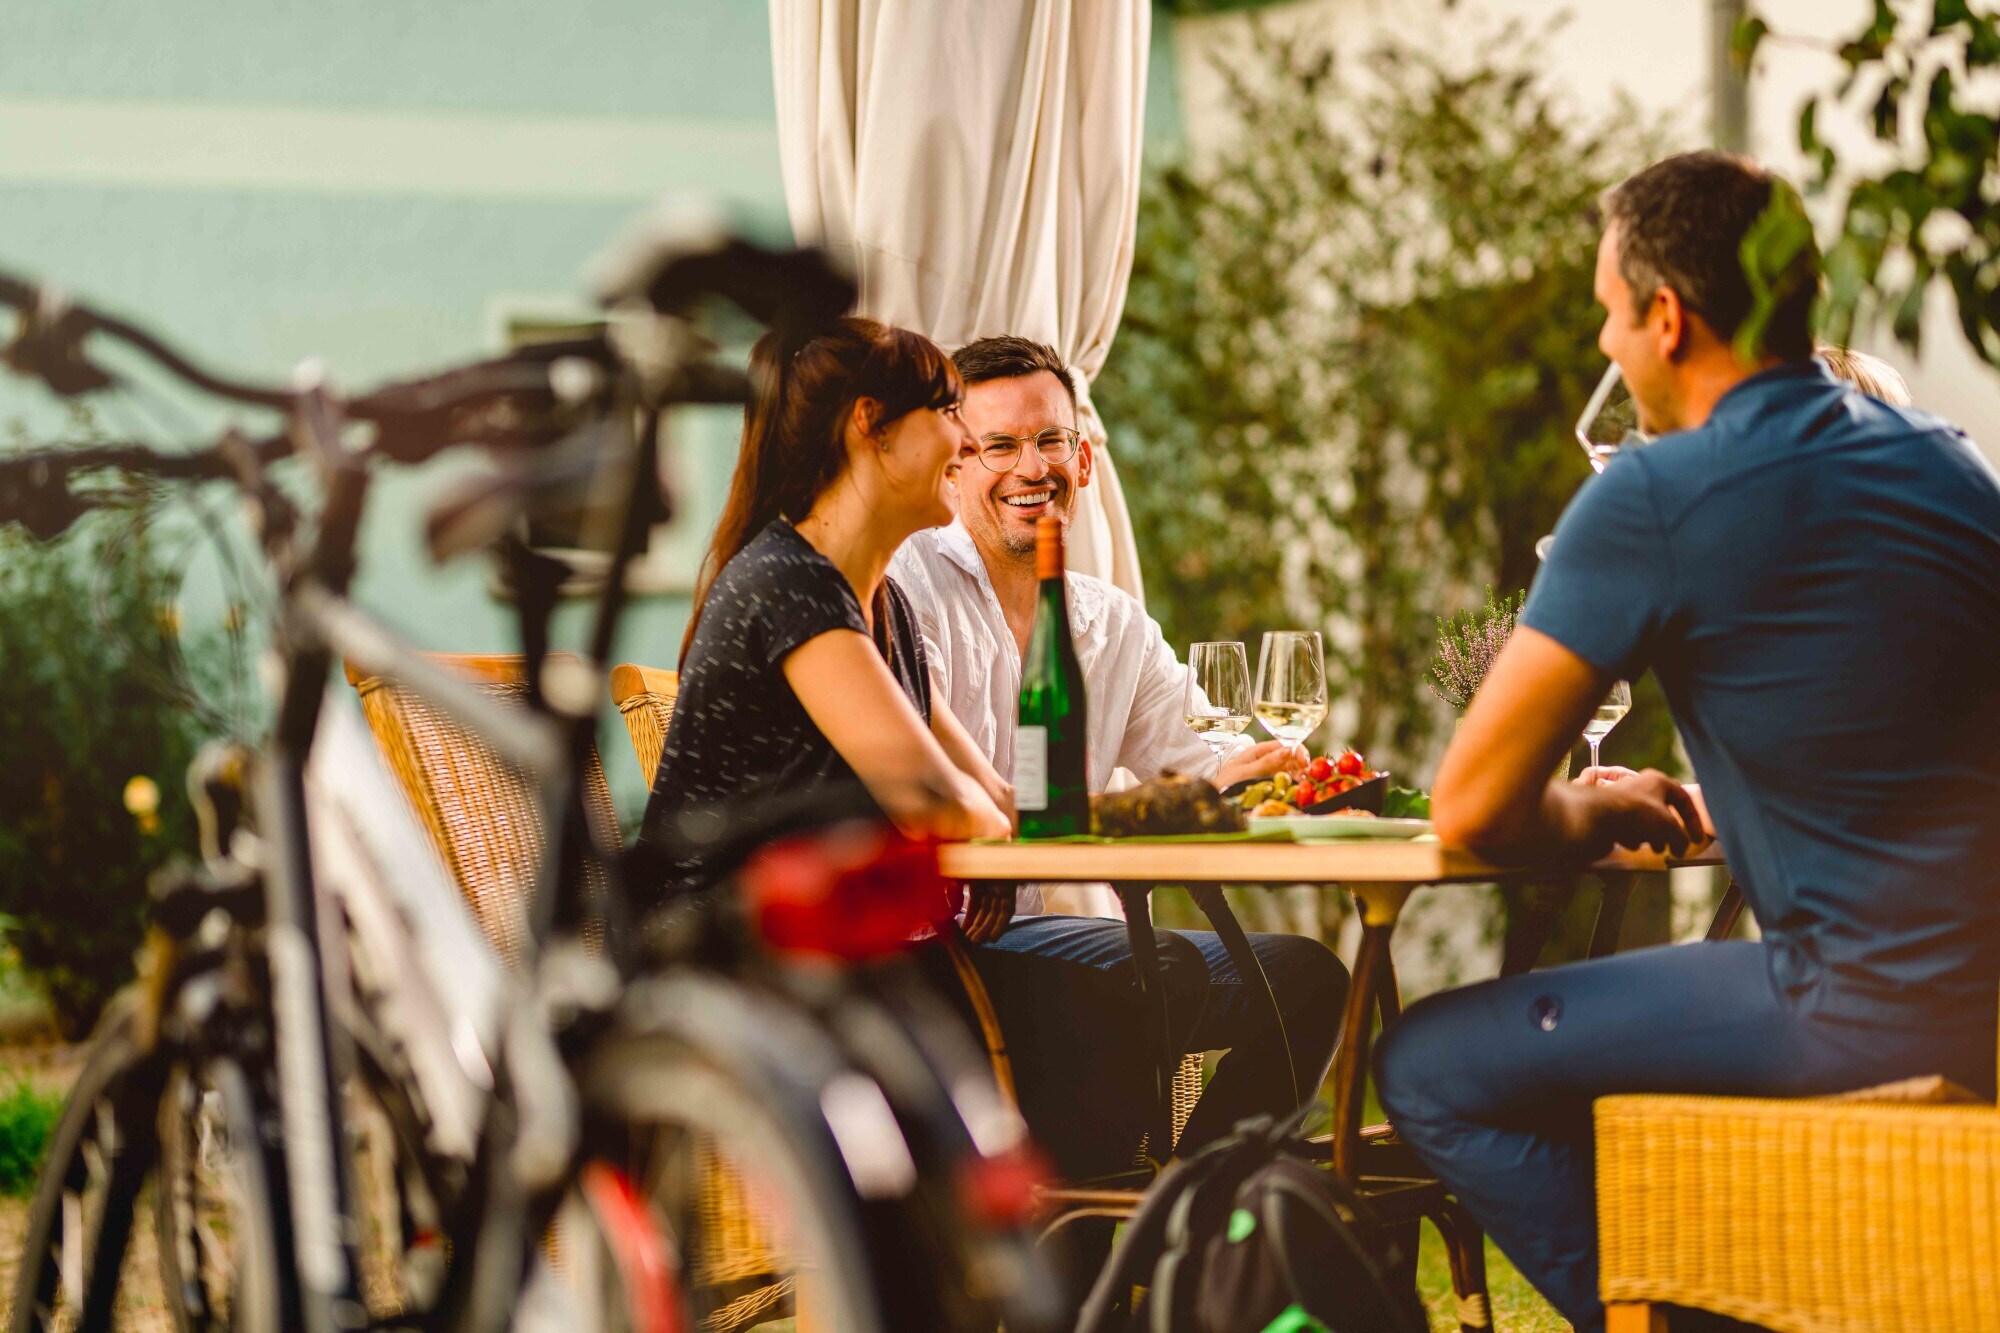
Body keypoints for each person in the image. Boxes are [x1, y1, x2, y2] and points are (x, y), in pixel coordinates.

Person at [1373, 150, 2000, 1333]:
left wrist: (1594, 810)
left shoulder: (1655, 490)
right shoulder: (1943, 457)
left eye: (1608, 317)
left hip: (1853, 1000)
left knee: (1429, 1063)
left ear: (1666, 317)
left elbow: (1471, 808)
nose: (1605, 348)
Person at [890, 334, 1348, 1171]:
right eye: (999, 445)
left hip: (1063, 939)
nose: (1032, 467)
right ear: (954, 469)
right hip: (942, 955)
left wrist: (1268, 772)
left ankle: (1188, 1212)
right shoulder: (909, 588)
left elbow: (1204, 757)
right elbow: (905, 768)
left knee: (1309, 977)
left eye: (1050, 440)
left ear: (1085, 458)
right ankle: (1086, 1233)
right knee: (1158, 966)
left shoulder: (1113, 621)